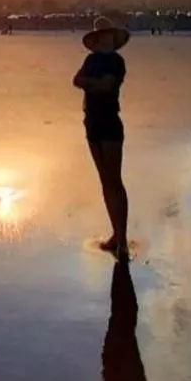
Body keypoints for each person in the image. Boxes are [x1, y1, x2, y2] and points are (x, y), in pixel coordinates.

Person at [73, 16, 130, 260]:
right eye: (101, 36)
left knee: (114, 180)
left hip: (109, 121)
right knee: (105, 181)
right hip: (92, 121)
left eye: (107, 36)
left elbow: (105, 87)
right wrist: (91, 84)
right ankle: (116, 235)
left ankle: (122, 238)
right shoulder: (91, 60)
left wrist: (90, 83)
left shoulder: (116, 61)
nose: (104, 39)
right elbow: (76, 80)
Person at [101, 262, 148, 381]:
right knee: (125, 312)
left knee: (124, 313)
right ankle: (121, 255)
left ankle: (121, 255)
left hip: (119, 356)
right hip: (120, 358)